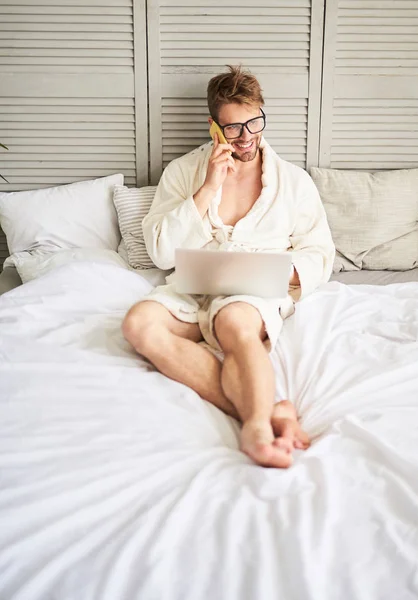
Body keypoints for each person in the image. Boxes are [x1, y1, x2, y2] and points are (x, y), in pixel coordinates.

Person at [122, 65, 335, 469]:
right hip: (192, 284)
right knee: (138, 324)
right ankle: (272, 412)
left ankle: (255, 429)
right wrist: (208, 188)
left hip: (255, 289)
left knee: (235, 323)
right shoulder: (184, 172)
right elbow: (161, 253)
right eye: (234, 128)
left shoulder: (293, 181)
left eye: (255, 122)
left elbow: (320, 251)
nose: (247, 137)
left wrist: (275, 273)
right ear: (213, 127)